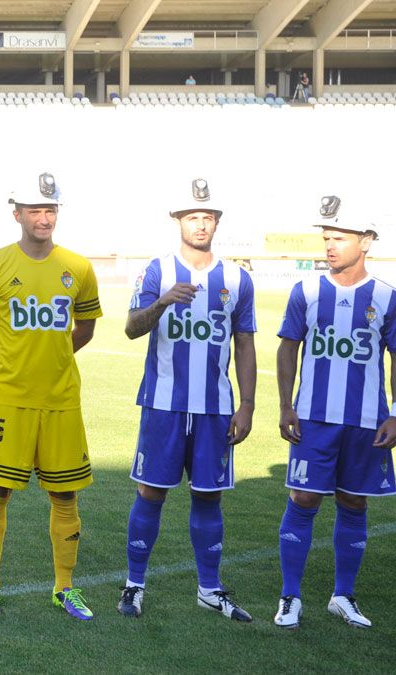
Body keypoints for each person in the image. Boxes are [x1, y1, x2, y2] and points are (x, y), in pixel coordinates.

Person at [0, 172, 102, 619]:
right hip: (9, 399)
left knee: (65, 496)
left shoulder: (78, 267)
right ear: (17, 213)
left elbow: (86, 328)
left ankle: (64, 587)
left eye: (51, 209)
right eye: (36, 209)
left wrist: (53, 356)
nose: (44, 217)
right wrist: (7, 354)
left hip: (61, 401)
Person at [117, 179, 256, 621]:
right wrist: (161, 303)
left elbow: (246, 343)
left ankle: (210, 589)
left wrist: (247, 404)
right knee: (151, 491)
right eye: (193, 216)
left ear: (217, 223)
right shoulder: (157, 271)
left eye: (208, 217)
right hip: (164, 403)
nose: (201, 224)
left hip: (215, 407)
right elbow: (132, 327)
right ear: (178, 221)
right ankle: (134, 585)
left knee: (209, 497)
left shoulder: (237, 278)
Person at [274, 195, 396, 629]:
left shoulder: (385, 296)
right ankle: (290, 597)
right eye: (326, 237)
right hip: (314, 418)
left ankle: (343, 595)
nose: (329, 245)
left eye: (339, 238)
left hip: (366, 420)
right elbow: (288, 346)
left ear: (365, 242)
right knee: (303, 497)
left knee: (354, 501)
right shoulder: (306, 291)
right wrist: (286, 404)